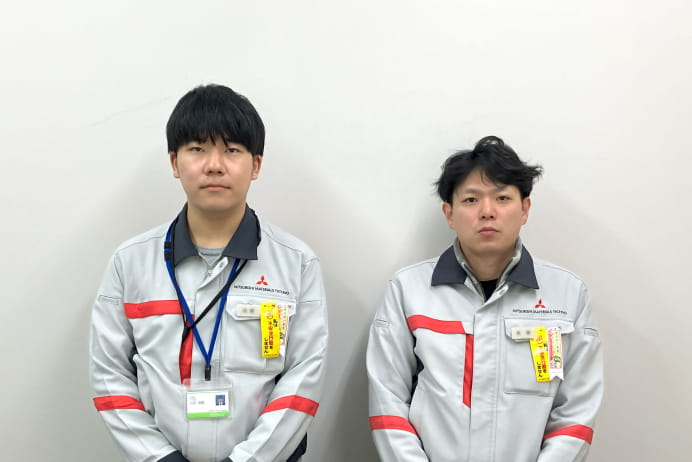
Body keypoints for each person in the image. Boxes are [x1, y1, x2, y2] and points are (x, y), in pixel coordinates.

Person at [90, 84, 328, 462]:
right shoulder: (130, 262)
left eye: (231, 150)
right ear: (174, 162)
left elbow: (304, 377)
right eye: (197, 149)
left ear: (256, 165)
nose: (214, 164)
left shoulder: (297, 263)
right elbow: (109, 375)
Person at [366, 136, 603, 462]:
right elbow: (387, 401)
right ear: (449, 213)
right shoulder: (408, 290)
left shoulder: (567, 294)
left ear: (525, 209)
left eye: (502, 198)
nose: (487, 212)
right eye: (471, 200)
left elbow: (576, 410)